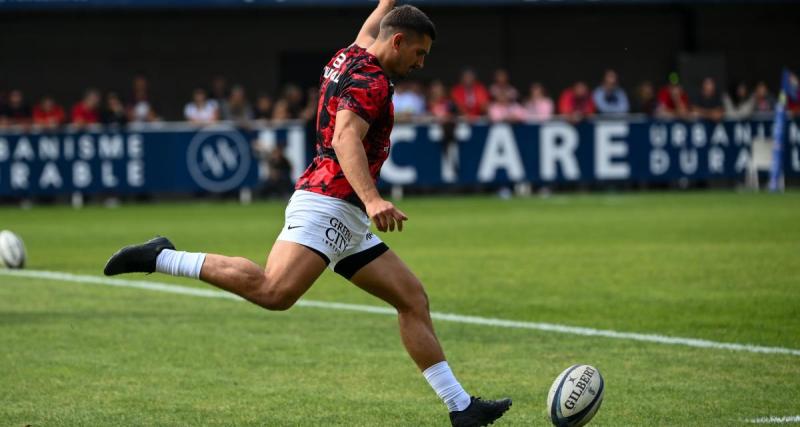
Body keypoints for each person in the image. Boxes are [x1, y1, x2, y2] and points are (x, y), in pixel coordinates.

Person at [102, 3, 511, 427]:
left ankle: (461, 408)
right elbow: (345, 137)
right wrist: (372, 200)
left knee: (412, 299)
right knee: (274, 291)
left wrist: (388, 3)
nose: (421, 63)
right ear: (397, 41)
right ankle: (160, 257)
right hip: (330, 202)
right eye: (419, 53)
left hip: (342, 212)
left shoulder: (352, 54)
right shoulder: (372, 82)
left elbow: (376, 19)